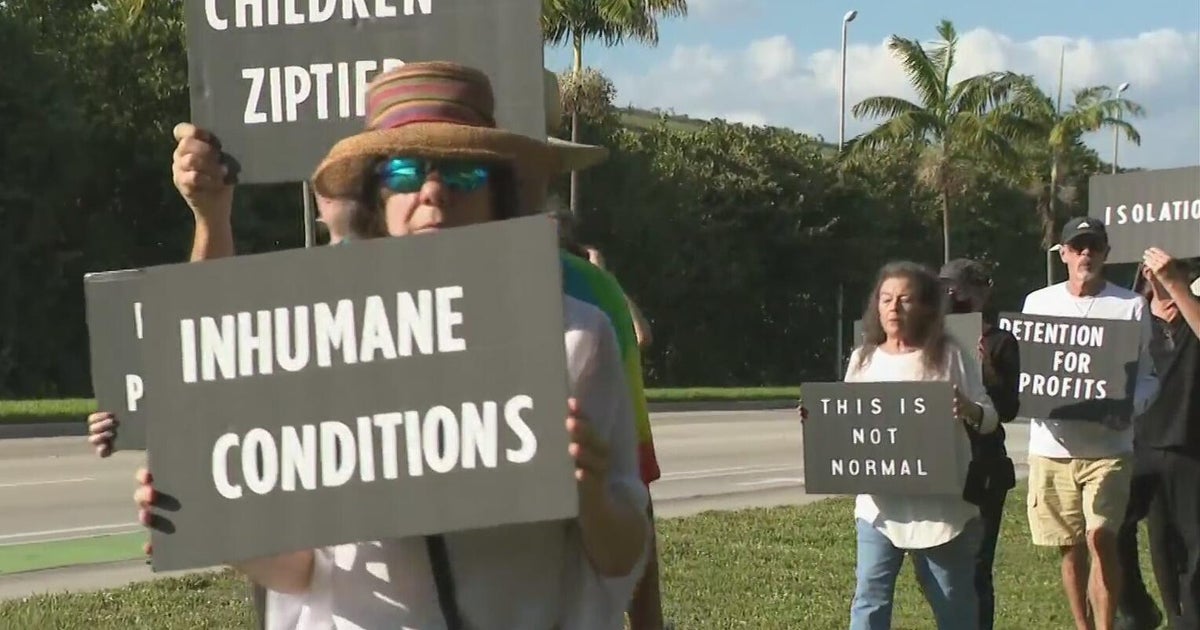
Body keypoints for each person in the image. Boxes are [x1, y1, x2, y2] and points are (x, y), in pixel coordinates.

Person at [116, 61, 651, 629]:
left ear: (500, 199)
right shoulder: (313, 342)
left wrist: (590, 493)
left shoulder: (574, 338)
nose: (433, 191)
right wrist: (211, 522)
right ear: (377, 203)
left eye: (464, 174)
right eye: (403, 172)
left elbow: (622, 555)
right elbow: (303, 570)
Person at [1020, 217, 1158, 630]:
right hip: (1052, 448)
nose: (1086, 254)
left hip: (1109, 448)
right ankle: (1082, 625)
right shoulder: (1038, 303)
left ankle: (1104, 625)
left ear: (1106, 253)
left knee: (1103, 538)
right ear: (1062, 254)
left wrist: (1129, 408)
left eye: (1093, 246)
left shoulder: (1130, 305)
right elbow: (1027, 372)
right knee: (1070, 546)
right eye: (1077, 247)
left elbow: (1148, 376)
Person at [844, 260, 998, 630]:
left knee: (953, 603)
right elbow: (846, 421)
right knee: (869, 600)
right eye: (885, 299)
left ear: (927, 307)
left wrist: (969, 409)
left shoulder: (951, 356)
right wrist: (818, 420)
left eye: (904, 299)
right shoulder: (863, 359)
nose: (893, 308)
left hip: (942, 508)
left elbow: (990, 415)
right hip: (879, 507)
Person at [1117, 250, 1200, 630]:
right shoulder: (1129, 316)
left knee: (1194, 548)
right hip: (1139, 445)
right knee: (1131, 538)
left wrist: (1177, 287)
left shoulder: (1192, 309)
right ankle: (1139, 611)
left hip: (1191, 446)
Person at [938, 258, 1020, 630]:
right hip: (943, 462)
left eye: (957, 290)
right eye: (944, 289)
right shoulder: (931, 339)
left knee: (977, 565)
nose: (950, 297)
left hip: (985, 466)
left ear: (979, 293)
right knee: (946, 567)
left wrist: (985, 368)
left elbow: (1008, 408)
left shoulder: (1001, 342)